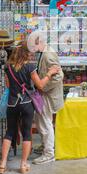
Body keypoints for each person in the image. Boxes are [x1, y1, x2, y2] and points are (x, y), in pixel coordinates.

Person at [0, 41, 60, 174]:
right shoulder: (30, 67)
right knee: (26, 134)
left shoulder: (8, 67)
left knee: (9, 132)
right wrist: (49, 74)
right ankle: (23, 164)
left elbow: (8, 86)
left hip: (12, 103)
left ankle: (2, 164)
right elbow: (40, 85)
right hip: (26, 103)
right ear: (25, 53)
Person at [32, 34, 64, 165]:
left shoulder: (48, 55)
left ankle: (49, 153)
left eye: (34, 44)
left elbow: (58, 76)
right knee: (43, 121)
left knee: (45, 123)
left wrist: (43, 87)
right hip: (47, 94)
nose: (32, 48)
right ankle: (46, 146)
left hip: (48, 95)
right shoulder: (45, 52)